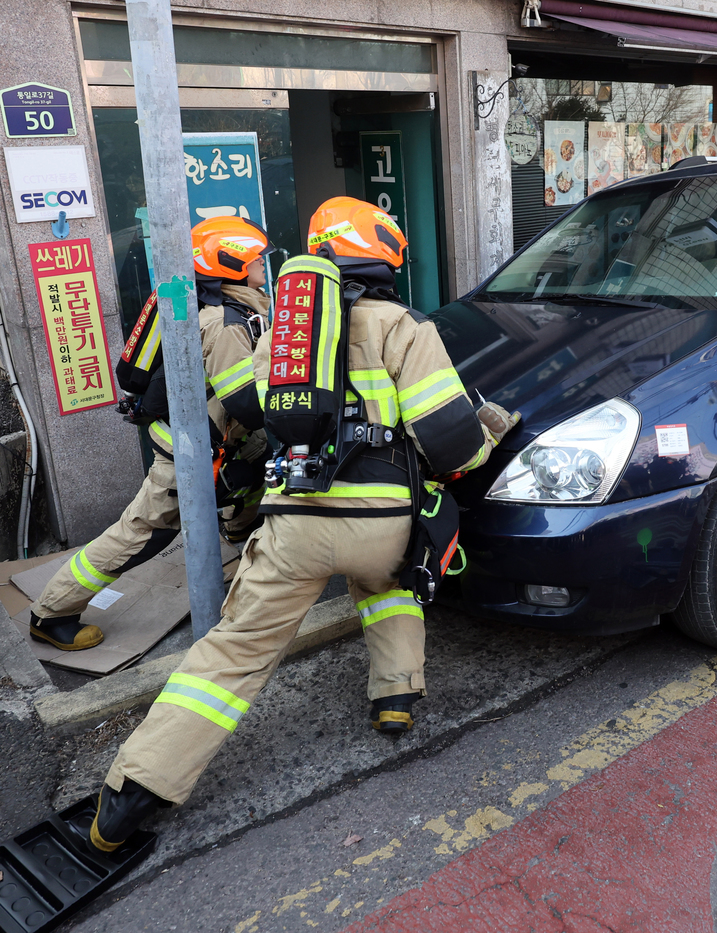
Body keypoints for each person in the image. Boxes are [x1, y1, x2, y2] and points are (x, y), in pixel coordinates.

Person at [86, 197, 518, 853]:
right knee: (393, 582)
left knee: (231, 655)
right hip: (382, 523)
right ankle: (394, 698)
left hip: (293, 524)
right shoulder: (403, 326)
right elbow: (452, 442)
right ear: (382, 250)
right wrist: (490, 436)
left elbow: (247, 411)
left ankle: (127, 800)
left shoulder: (283, 333)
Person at [26, 217, 273, 652]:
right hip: (193, 447)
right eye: (255, 259)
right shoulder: (224, 322)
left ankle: (237, 536)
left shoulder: (238, 304)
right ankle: (53, 612)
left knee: (254, 464)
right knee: (144, 531)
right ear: (230, 264)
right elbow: (248, 405)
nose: (261, 266)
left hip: (221, 434)